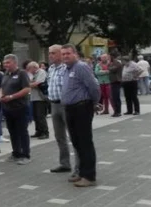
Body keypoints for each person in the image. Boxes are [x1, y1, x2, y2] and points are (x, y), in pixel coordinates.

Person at [61, 44, 100, 187]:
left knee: (85, 142)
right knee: (77, 142)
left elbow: (94, 86)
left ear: (75, 54)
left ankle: (89, 176)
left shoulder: (81, 67)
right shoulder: (67, 69)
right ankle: (82, 173)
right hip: (70, 109)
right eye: (63, 54)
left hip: (82, 108)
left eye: (68, 53)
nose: (65, 56)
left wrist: (94, 102)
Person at [47, 45, 78, 177]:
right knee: (60, 136)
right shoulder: (51, 68)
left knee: (75, 136)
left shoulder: (67, 68)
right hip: (54, 105)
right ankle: (65, 163)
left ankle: (78, 167)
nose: (50, 55)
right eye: (50, 53)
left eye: (53, 53)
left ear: (61, 54)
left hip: (67, 105)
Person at [0, 54, 32, 165]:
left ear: (15, 63)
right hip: (8, 108)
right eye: (4, 63)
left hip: (20, 107)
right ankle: (16, 153)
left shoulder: (21, 74)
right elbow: (2, 87)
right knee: (12, 131)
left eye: (8, 62)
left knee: (22, 131)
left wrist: (12, 97)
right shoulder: (6, 74)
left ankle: (26, 155)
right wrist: (1, 95)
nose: (5, 65)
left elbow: (27, 89)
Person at [27, 61, 49, 139]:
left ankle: (45, 132)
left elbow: (38, 83)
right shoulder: (32, 74)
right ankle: (38, 131)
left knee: (40, 115)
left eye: (29, 68)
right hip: (34, 97)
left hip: (40, 98)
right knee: (35, 116)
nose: (28, 70)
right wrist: (31, 83)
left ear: (34, 67)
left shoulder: (41, 72)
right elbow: (31, 83)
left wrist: (28, 84)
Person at [108, 51, 123, 117]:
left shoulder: (117, 62)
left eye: (109, 56)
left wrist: (109, 67)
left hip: (116, 81)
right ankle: (116, 111)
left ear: (112, 56)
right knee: (114, 97)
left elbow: (114, 69)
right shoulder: (113, 62)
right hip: (113, 81)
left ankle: (118, 111)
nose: (109, 57)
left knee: (116, 97)